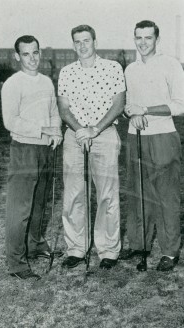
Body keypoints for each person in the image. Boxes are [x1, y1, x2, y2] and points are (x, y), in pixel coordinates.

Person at [58, 25, 126, 270]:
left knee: (107, 194)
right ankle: (76, 248)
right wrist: (79, 130)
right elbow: (64, 108)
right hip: (75, 136)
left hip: (104, 133)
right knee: (74, 194)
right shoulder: (66, 72)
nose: (82, 46)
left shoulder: (112, 68)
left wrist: (94, 129)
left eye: (86, 40)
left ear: (95, 41)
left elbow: (119, 104)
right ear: (73, 44)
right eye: (77, 42)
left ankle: (108, 250)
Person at [120, 20, 184, 271]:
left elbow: (179, 105)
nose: (143, 43)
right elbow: (128, 104)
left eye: (148, 38)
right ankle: (139, 245)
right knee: (138, 193)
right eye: (139, 38)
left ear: (157, 39)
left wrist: (145, 109)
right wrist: (131, 113)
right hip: (135, 136)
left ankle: (169, 252)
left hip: (162, 136)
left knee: (166, 197)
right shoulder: (130, 69)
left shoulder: (171, 65)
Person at [1, 35, 63, 280]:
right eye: (26, 54)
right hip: (24, 149)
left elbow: (54, 112)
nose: (32, 58)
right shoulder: (13, 83)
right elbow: (10, 121)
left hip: (46, 149)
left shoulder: (47, 82)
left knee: (40, 202)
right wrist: (42, 129)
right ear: (17, 56)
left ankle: (35, 244)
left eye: (35, 52)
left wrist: (56, 131)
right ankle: (16, 263)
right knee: (20, 208)